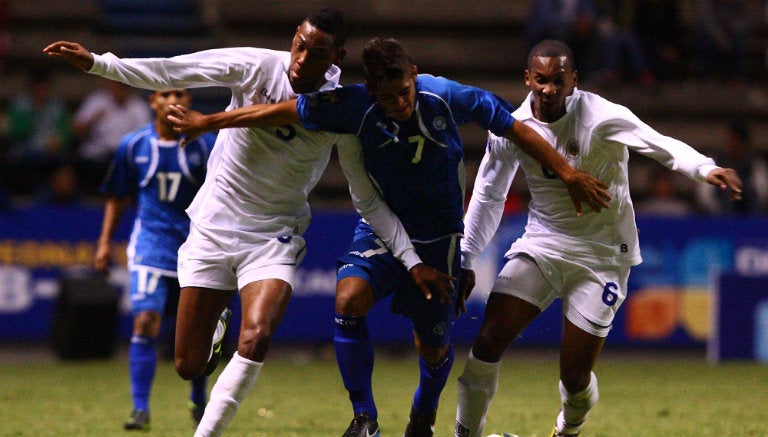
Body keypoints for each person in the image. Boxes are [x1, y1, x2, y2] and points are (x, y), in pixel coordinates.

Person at [165, 37, 611, 437]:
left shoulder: (447, 95)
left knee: (432, 346)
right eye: (387, 96)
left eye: (404, 92)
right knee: (348, 299)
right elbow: (282, 111)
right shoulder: (356, 105)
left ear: (415, 75)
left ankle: (423, 416)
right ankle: (364, 418)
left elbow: (517, 129)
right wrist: (210, 122)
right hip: (380, 226)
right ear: (372, 92)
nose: (398, 103)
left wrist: (568, 173)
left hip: (439, 239)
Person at [45, 8, 448, 437]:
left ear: (337, 56)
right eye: (298, 44)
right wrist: (98, 63)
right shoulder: (257, 65)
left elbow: (364, 195)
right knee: (188, 365)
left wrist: (408, 256)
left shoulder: (342, 112)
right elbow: (174, 70)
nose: (299, 58)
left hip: (274, 233)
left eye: (315, 53)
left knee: (255, 337)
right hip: (213, 226)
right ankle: (218, 324)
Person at [452, 39, 742, 437]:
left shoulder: (601, 115)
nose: (549, 90)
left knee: (574, 375)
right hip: (543, 244)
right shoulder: (510, 127)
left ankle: (568, 428)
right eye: (541, 80)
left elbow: (658, 144)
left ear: (573, 80)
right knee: (487, 341)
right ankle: (464, 433)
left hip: (603, 254)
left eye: (558, 81)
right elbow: (489, 193)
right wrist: (467, 257)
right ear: (527, 79)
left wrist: (704, 168)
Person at [94, 88, 217, 431]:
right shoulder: (132, 145)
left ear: (190, 101)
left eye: (180, 93)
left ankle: (198, 396)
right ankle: (140, 409)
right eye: (165, 94)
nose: (172, 100)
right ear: (152, 102)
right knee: (146, 320)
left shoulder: (206, 144)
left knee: (196, 335)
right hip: (150, 247)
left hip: (196, 249)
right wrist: (104, 243)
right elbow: (117, 196)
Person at [72, 78, 152, 194]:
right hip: (96, 153)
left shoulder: (139, 107)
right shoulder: (97, 100)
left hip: (125, 156)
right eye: (117, 84)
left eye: (124, 85)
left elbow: (145, 138)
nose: (120, 89)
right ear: (110, 84)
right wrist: (93, 120)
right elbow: (75, 130)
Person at [695, 120, 768, 214]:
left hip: (750, 216)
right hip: (716, 216)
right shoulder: (713, 163)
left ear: (745, 144)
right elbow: (704, 196)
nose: (733, 145)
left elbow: (762, 193)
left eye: (738, 141)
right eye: (731, 140)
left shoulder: (755, 165)